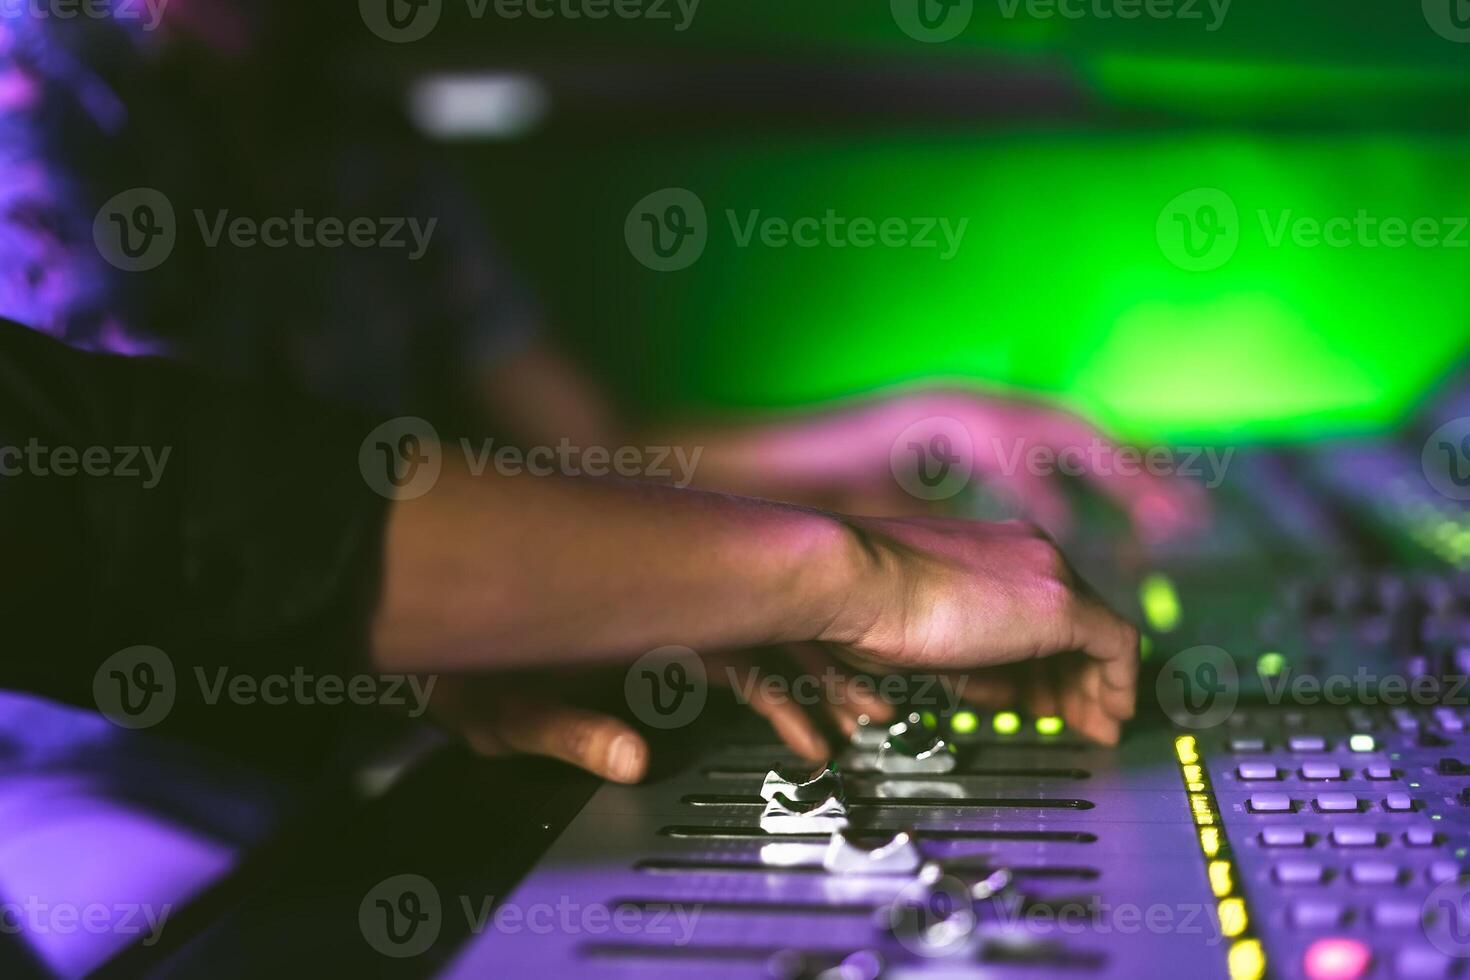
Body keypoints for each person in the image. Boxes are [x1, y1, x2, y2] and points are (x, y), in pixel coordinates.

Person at [1, 319, 1140, 786]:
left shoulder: (347, 121)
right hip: (98, 783)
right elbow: (132, 505)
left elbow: (591, 457)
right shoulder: (36, 100)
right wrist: (852, 571)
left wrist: (475, 613)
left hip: (377, 704)